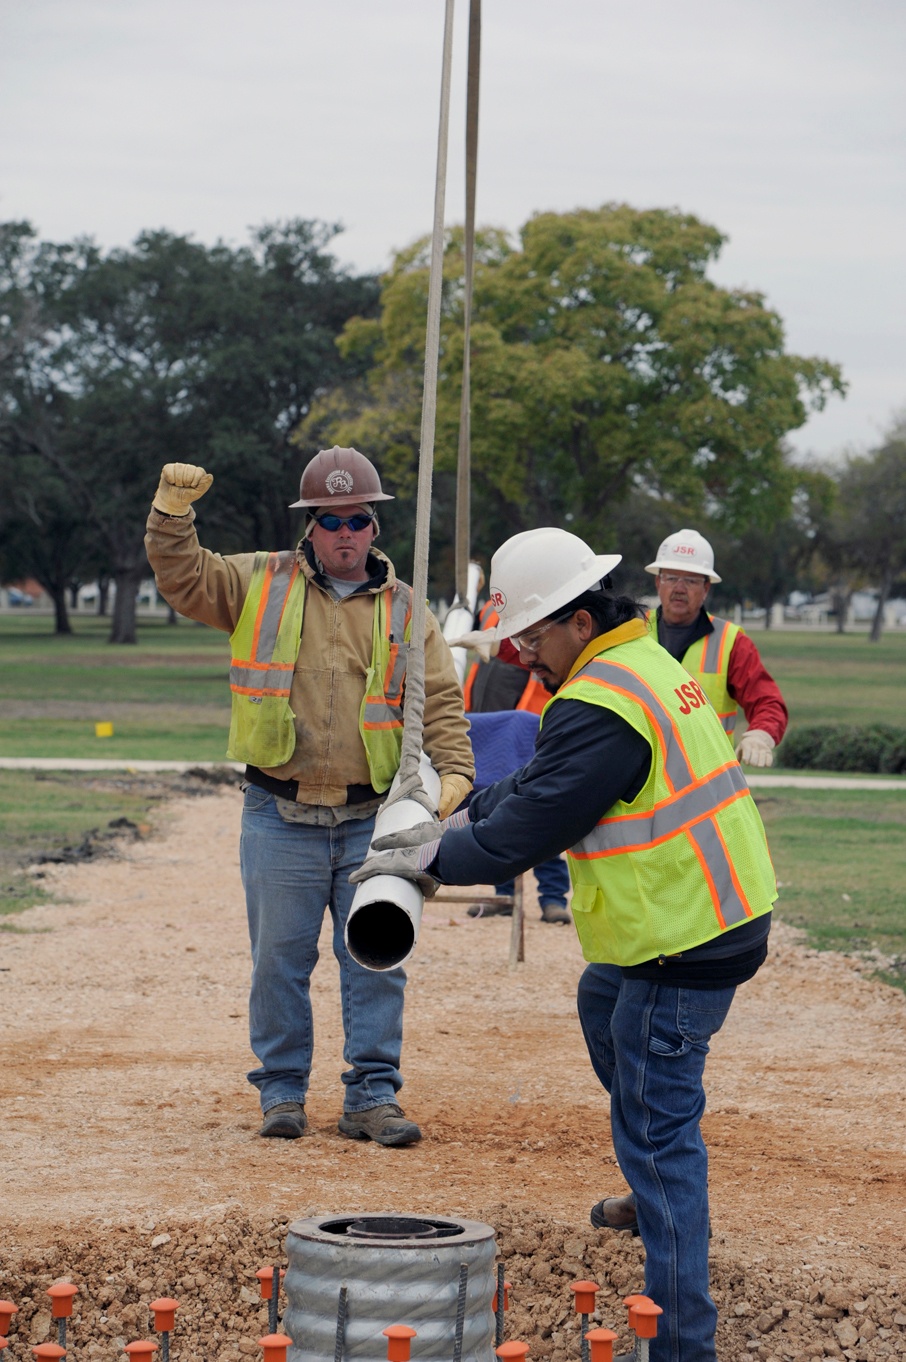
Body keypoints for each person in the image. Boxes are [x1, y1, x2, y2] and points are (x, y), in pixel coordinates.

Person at [352, 527, 777, 1362]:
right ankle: (648, 1182)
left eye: (532, 633)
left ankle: (683, 1340)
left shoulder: (600, 702)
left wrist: (429, 857)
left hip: (688, 939)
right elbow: (539, 781)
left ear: (581, 621)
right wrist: (460, 809)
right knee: (601, 1001)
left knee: (662, 1126)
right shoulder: (635, 661)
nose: (520, 653)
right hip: (710, 916)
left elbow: (531, 832)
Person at [144, 447, 474, 1146]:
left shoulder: (408, 609)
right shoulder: (258, 582)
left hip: (373, 818)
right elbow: (184, 576)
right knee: (278, 962)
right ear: (311, 527)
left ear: (375, 527)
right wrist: (172, 518)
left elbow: (442, 702)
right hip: (278, 813)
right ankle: (283, 1092)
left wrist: (456, 774)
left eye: (359, 519)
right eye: (332, 520)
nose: (346, 533)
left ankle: (372, 1097)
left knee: (377, 961)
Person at [461, 599, 571, 924]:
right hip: (494, 730)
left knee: (544, 816)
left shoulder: (549, 603)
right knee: (499, 815)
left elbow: (542, 656)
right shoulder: (488, 608)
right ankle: (503, 894)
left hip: (533, 728)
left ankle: (552, 898)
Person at [645, 529, 788, 767]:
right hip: (642, 784)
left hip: (706, 785)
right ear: (658, 581)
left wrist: (760, 735)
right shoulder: (631, 632)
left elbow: (768, 703)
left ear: (706, 588)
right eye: (671, 577)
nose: (679, 588)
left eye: (691, 580)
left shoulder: (731, 643)